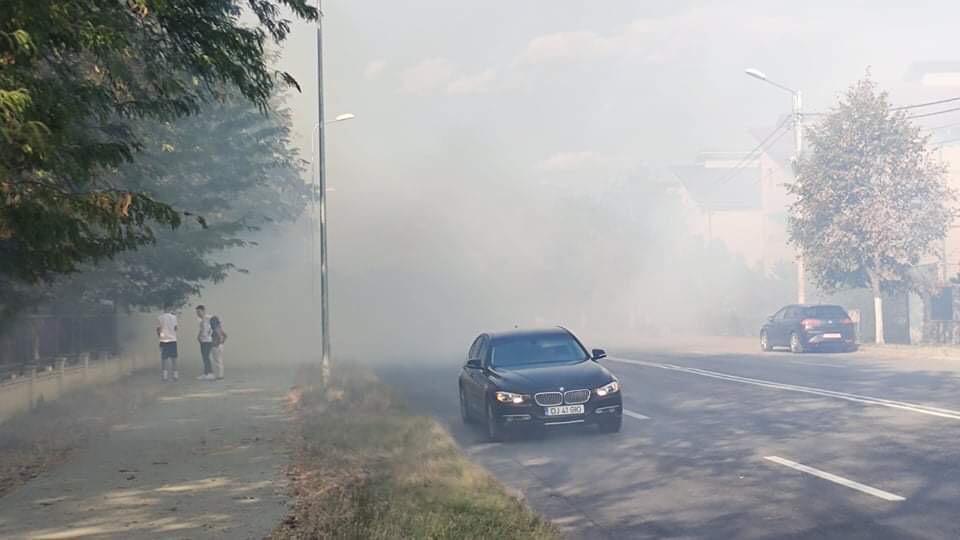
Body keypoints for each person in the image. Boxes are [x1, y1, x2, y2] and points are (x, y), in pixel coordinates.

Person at [157, 304, 179, 382]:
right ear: (170, 308)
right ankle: (175, 376)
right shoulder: (174, 317)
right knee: (174, 359)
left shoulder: (160, 317)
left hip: (164, 340)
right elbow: (176, 328)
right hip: (173, 340)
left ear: (164, 308)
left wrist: (161, 337)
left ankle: (165, 376)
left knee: (164, 359)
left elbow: (159, 330)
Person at [196, 305, 215, 380]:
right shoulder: (200, 320)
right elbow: (201, 329)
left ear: (203, 311)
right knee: (204, 357)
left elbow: (214, 326)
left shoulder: (209, 318)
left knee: (206, 357)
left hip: (208, 340)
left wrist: (210, 334)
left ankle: (210, 373)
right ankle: (206, 373)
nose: (198, 313)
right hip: (202, 340)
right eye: (197, 312)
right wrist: (198, 336)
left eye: (199, 312)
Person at [210, 316, 228, 380]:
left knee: (217, 361)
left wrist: (218, 343)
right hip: (220, 346)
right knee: (220, 361)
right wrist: (222, 342)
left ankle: (219, 376)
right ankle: (220, 375)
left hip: (215, 346)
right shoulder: (220, 328)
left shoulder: (215, 329)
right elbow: (225, 335)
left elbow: (219, 336)